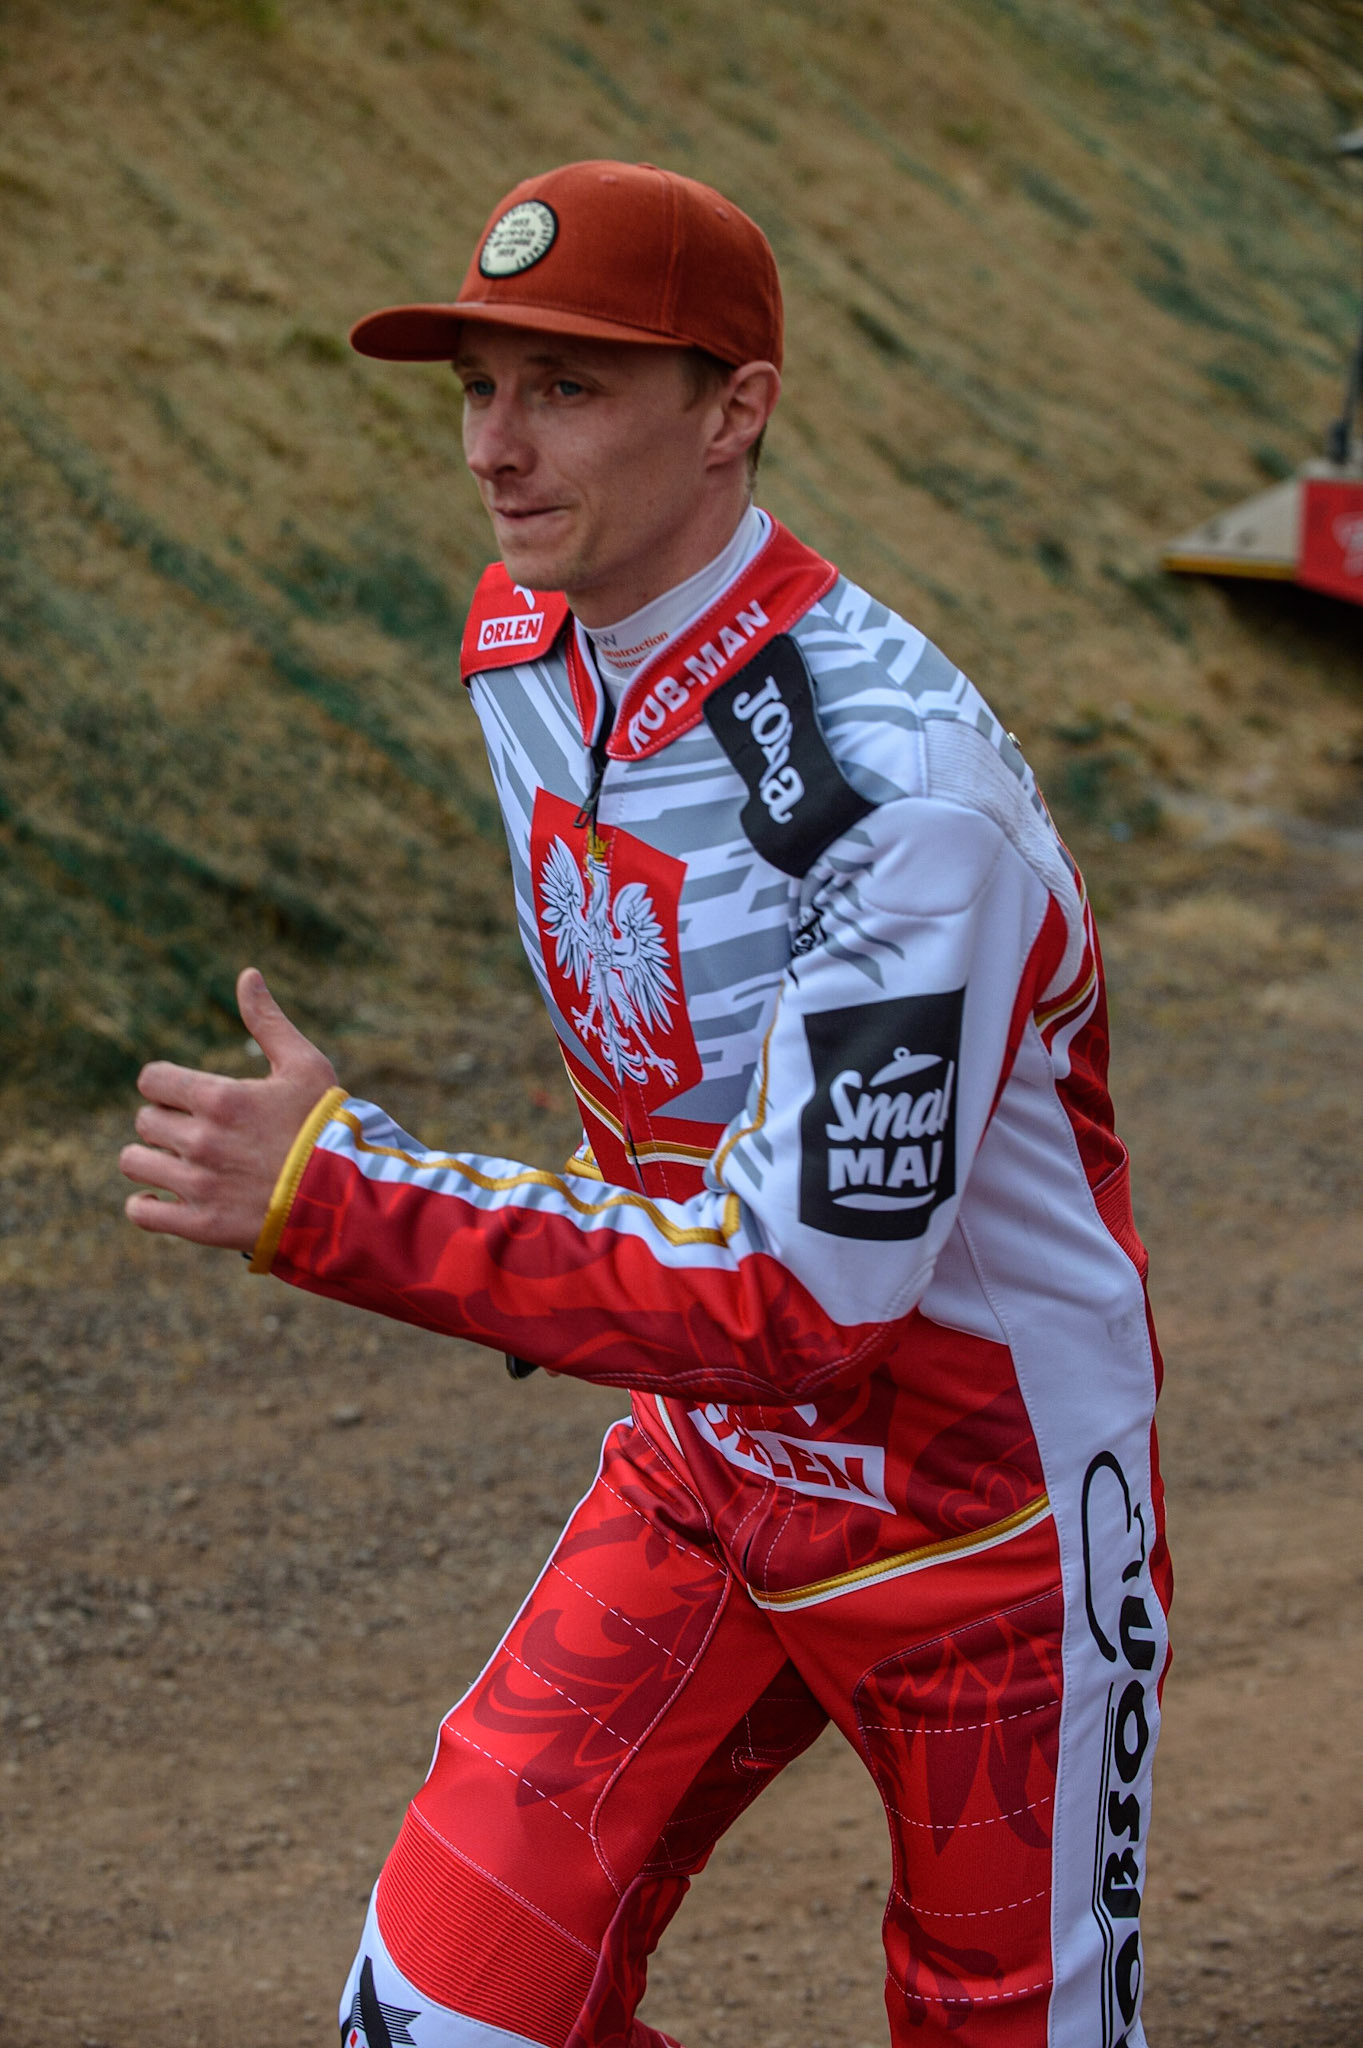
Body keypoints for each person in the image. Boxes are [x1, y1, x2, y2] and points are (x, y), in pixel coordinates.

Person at [120, 159, 1172, 2048]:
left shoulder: (896, 795)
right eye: (477, 388)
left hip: (983, 1521)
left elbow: (805, 1300)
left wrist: (341, 1197)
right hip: (705, 1466)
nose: (493, 448)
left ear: (733, 410)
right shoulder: (522, 645)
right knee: (442, 2018)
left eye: (567, 386)